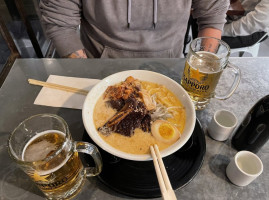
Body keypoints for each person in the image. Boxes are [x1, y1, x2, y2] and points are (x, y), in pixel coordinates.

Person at [39, 0, 229, 58]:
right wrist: (87, 74)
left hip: (169, 67)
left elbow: (212, 16)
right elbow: (60, 24)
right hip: (99, 67)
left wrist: (202, 69)